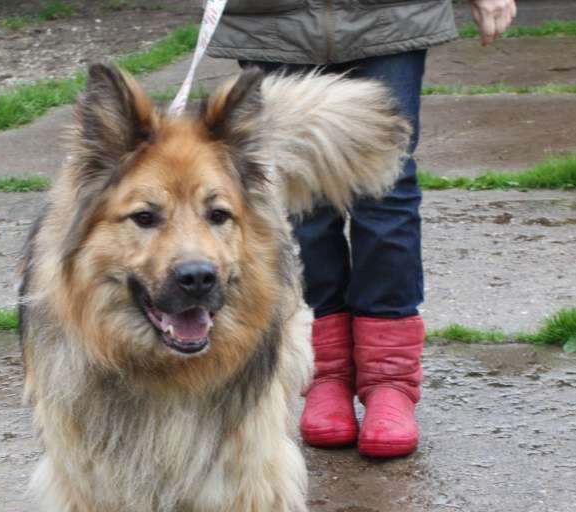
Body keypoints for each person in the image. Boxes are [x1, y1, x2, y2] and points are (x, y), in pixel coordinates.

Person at [208, 0, 517, 458]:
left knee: (386, 188)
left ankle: (390, 379)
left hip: (388, 14)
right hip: (277, 17)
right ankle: (323, 372)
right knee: (300, 190)